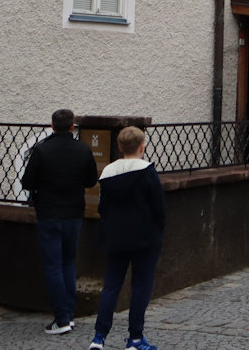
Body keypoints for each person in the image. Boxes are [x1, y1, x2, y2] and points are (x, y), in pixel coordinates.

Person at [22, 108, 100, 335]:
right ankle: (69, 314)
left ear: (53, 126)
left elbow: (27, 182)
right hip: (74, 213)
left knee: (54, 266)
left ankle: (62, 318)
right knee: (68, 263)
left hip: (49, 214)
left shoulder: (41, 150)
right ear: (72, 126)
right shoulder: (83, 149)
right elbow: (90, 180)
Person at [89, 126, 165, 350]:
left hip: (115, 237)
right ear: (142, 147)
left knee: (111, 285)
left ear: (120, 147)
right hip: (144, 237)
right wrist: (158, 232)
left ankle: (99, 336)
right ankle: (135, 338)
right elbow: (158, 209)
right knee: (141, 286)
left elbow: (103, 208)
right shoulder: (148, 172)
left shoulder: (108, 173)